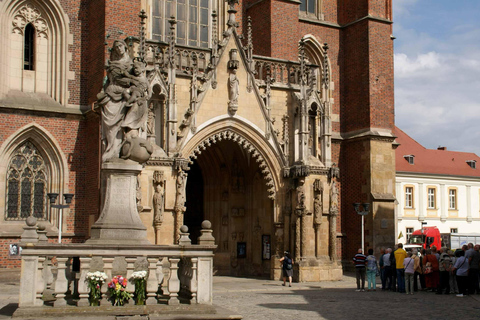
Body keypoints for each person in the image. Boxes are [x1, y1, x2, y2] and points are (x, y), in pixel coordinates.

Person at [98, 39, 133, 162]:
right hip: (110, 94)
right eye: (116, 47)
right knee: (109, 126)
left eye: (120, 46)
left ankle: (117, 150)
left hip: (122, 96)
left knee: (120, 125)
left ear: (125, 48)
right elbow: (107, 81)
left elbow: (134, 81)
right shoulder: (112, 64)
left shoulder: (130, 63)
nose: (118, 49)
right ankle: (110, 149)